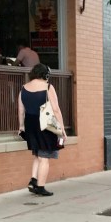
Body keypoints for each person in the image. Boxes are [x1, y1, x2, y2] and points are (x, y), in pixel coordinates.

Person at [17, 64, 66, 196]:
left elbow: (21, 110)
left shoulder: (23, 88)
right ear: (46, 75)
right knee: (44, 157)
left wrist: (21, 127)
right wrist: (61, 128)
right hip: (45, 123)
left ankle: (33, 180)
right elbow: (56, 109)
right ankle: (40, 187)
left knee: (38, 154)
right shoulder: (48, 87)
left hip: (30, 123)